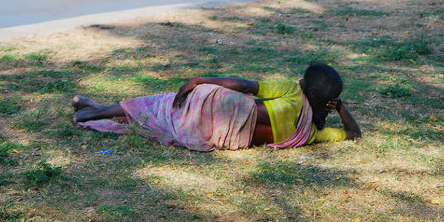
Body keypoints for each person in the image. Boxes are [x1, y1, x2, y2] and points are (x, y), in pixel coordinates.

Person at [72, 62, 361, 152]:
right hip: (222, 136)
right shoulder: (309, 133)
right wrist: (338, 107)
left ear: (304, 85)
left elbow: (245, 85)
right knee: (161, 119)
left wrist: (200, 80)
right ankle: (96, 109)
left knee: (161, 104)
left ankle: (95, 110)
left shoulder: (290, 90)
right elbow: (353, 134)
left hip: (221, 107)